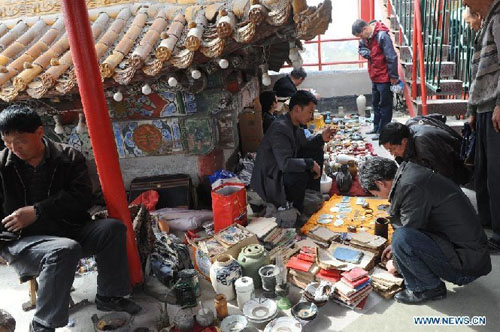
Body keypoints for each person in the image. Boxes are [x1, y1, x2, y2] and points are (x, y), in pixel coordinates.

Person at [0, 105, 141, 332]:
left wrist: (38, 211)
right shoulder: (1, 166)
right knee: (64, 249)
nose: (14, 148)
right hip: (23, 242)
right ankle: (43, 323)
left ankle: (109, 295)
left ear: (39, 132)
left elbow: (82, 198)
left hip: (69, 229)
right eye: (7, 142)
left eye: (20, 141)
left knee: (112, 229)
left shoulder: (68, 157)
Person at [358, 157, 491, 304]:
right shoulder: (410, 175)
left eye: (376, 194)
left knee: (401, 238)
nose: (379, 198)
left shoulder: (411, 188)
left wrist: (395, 264)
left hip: (466, 265)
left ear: (380, 183)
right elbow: (416, 226)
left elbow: (408, 235)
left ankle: (428, 288)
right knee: (400, 240)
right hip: (469, 251)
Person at [251, 91, 334, 222]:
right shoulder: (280, 128)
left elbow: (305, 144)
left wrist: (321, 138)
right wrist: (310, 163)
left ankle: (312, 197)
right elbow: (284, 164)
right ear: (297, 109)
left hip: (279, 171)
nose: (311, 117)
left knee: (316, 150)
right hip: (269, 180)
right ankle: (298, 211)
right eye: (310, 112)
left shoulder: (293, 124)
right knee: (300, 172)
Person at [465, 0, 500, 250]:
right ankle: (488, 222)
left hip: (494, 106)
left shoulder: (498, 19)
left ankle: (499, 235)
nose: (465, 2)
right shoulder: (489, 22)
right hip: (484, 107)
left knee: (497, 174)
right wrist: (474, 109)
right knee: (485, 171)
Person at [379, 118, 470, 185]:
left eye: (393, 149)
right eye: (389, 150)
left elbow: (445, 173)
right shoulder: (407, 130)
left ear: (404, 141)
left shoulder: (423, 142)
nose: (392, 153)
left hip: (461, 166)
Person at [352, 19, 399, 140]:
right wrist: (368, 54)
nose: (361, 38)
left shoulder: (382, 36)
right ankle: (376, 127)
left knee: (385, 105)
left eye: (361, 35)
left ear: (365, 29)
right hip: (374, 75)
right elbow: (361, 48)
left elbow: (391, 57)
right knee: (376, 104)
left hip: (384, 76)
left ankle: (383, 132)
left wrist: (393, 76)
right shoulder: (366, 38)